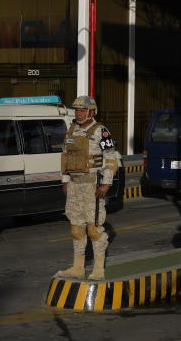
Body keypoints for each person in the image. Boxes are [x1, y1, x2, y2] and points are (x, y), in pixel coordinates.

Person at [56, 96, 120, 280]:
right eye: (76, 110)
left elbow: (110, 157)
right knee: (76, 229)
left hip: (92, 185)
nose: (78, 113)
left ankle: (98, 269)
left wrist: (106, 182)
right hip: (75, 186)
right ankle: (78, 267)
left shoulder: (101, 131)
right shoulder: (71, 130)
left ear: (92, 112)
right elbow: (65, 157)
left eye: (82, 110)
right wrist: (65, 180)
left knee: (93, 228)